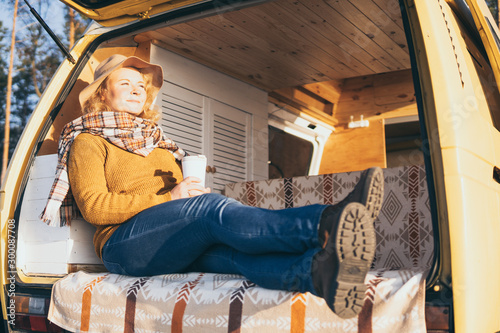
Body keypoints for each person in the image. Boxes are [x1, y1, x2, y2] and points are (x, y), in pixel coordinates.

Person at [40, 54, 384, 319]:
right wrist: (175, 198)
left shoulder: (158, 142)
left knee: (231, 253)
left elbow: (177, 203)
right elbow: (95, 207)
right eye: (125, 83)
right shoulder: (88, 140)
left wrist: (187, 193)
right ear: (103, 91)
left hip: (165, 237)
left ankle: (317, 273)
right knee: (210, 210)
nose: (136, 89)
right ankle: (326, 222)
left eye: (141, 85)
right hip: (122, 246)